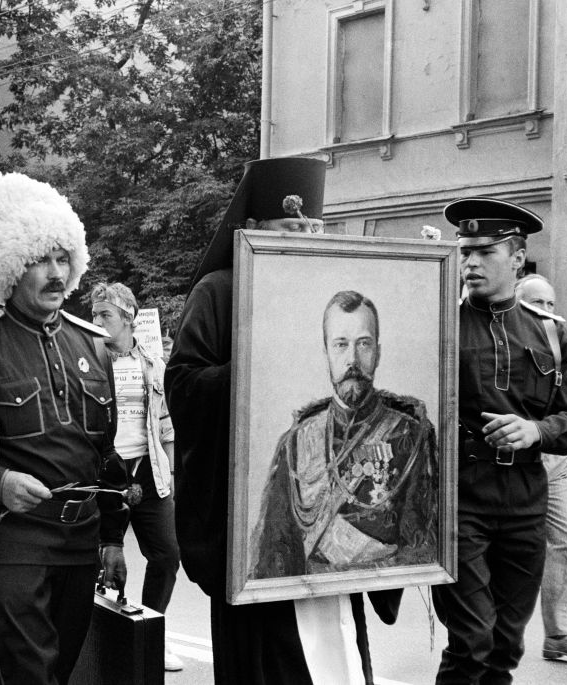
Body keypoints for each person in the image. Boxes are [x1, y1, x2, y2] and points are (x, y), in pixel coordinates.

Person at [165, 157, 402, 685]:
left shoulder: (333, 293)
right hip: (257, 528)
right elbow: (183, 386)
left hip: (331, 516)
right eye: (293, 229)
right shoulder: (219, 292)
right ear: (252, 231)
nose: (309, 239)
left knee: (335, 654)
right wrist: (252, 367)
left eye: (316, 229)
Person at [0, 171, 129, 685]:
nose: (56, 273)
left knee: (57, 675)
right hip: (11, 544)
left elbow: (104, 454)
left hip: (80, 544)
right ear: (11, 269)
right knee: (26, 678)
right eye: (41, 259)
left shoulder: (93, 346)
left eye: (64, 259)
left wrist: (112, 538)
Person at [433, 197, 567, 683]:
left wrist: (535, 431)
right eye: (465, 251)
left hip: (525, 500)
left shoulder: (548, 332)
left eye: (485, 252)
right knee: (473, 639)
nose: (471, 262)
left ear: (518, 258)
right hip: (460, 498)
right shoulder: (438, 322)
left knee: (505, 645)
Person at [250, 290, 438, 578]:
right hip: (307, 595)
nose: (353, 359)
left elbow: (421, 545)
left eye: (364, 344)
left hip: (377, 589)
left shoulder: (410, 436)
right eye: (341, 345)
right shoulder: (298, 440)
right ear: (326, 351)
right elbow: (275, 546)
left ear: (378, 352)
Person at [90, 281, 183, 672]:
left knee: (166, 556)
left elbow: (167, 425)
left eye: (104, 314)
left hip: (148, 471)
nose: (96, 321)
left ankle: (149, 634)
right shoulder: (89, 361)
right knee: (107, 560)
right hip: (103, 473)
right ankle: (108, 642)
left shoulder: (154, 363)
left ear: (127, 317)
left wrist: (172, 470)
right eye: (93, 314)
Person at [513, 275, 567, 664]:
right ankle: (490, 636)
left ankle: (560, 634)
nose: (545, 312)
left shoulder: (556, 347)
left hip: (553, 464)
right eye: (536, 303)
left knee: (565, 543)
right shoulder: (502, 339)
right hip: (507, 466)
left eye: (550, 304)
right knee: (505, 552)